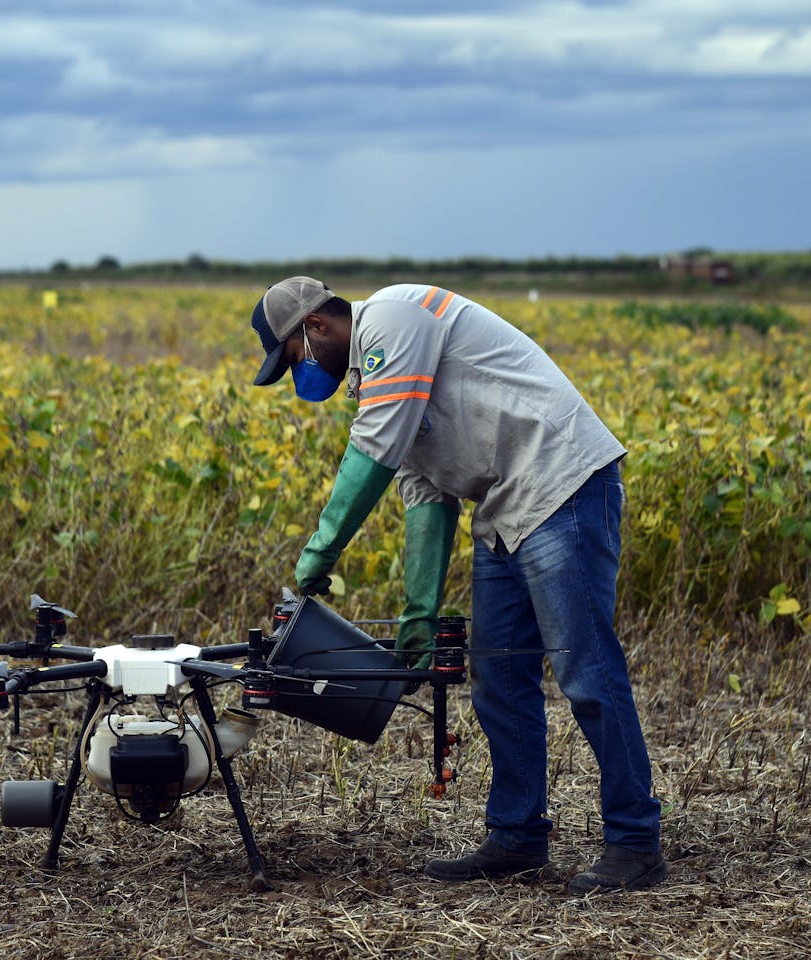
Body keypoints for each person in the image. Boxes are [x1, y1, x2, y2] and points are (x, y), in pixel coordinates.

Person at [250, 276, 665, 894]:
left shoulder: (393, 318)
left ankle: (635, 842)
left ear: (315, 327)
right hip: (504, 506)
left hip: (560, 481)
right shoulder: (376, 379)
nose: (299, 375)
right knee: (499, 678)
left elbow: (375, 452)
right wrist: (420, 612)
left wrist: (319, 553)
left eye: (292, 362)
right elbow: (427, 496)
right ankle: (517, 837)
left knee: (585, 669)